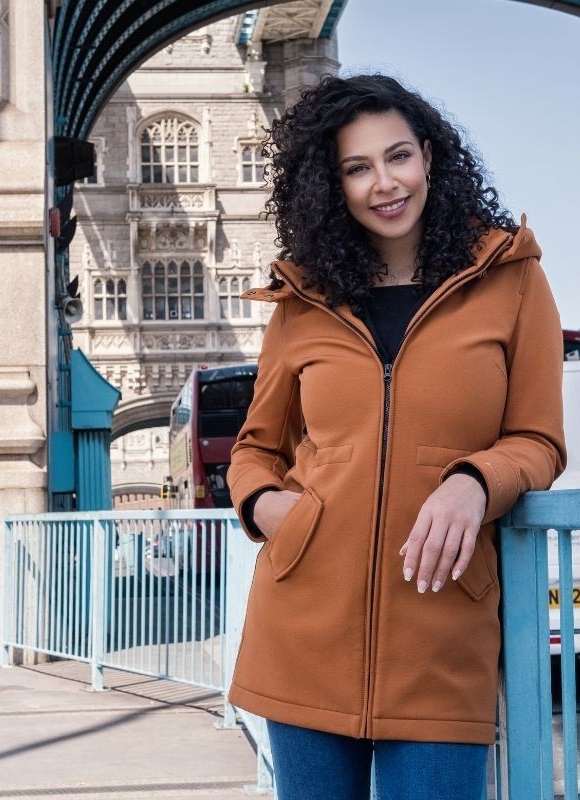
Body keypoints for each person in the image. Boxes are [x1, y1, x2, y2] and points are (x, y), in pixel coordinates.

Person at [226, 74, 566, 800]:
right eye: (357, 167)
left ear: (431, 159)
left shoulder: (511, 278)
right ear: (334, 185)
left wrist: (474, 481)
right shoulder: (305, 299)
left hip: (442, 635)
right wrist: (268, 510)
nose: (385, 183)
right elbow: (257, 448)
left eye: (398, 156)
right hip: (302, 632)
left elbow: (538, 440)